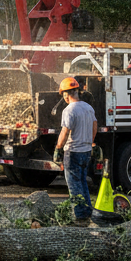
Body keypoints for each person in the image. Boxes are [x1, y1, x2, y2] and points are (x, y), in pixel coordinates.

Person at [53, 76, 98, 226]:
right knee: (83, 182)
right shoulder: (88, 108)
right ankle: (88, 212)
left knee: (74, 185)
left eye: (63, 94)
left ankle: (80, 217)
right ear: (77, 92)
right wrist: (90, 142)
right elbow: (94, 126)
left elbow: (65, 132)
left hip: (73, 152)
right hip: (86, 151)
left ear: (66, 94)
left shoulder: (69, 110)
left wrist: (58, 149)